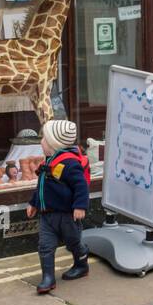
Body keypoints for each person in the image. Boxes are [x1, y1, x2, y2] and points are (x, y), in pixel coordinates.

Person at [25, 119, 90, 294]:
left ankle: (81, 263)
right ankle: (48, 278)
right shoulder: (49, 160)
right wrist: (33, 203)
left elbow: (81, 186)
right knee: (45, 246)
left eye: (44, 139)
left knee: (73, 243)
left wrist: (80, 206)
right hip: (47, 215)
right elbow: (41, 186)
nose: (41, 142)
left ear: (54, 144)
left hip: (68, 215)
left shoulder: (69, 164)